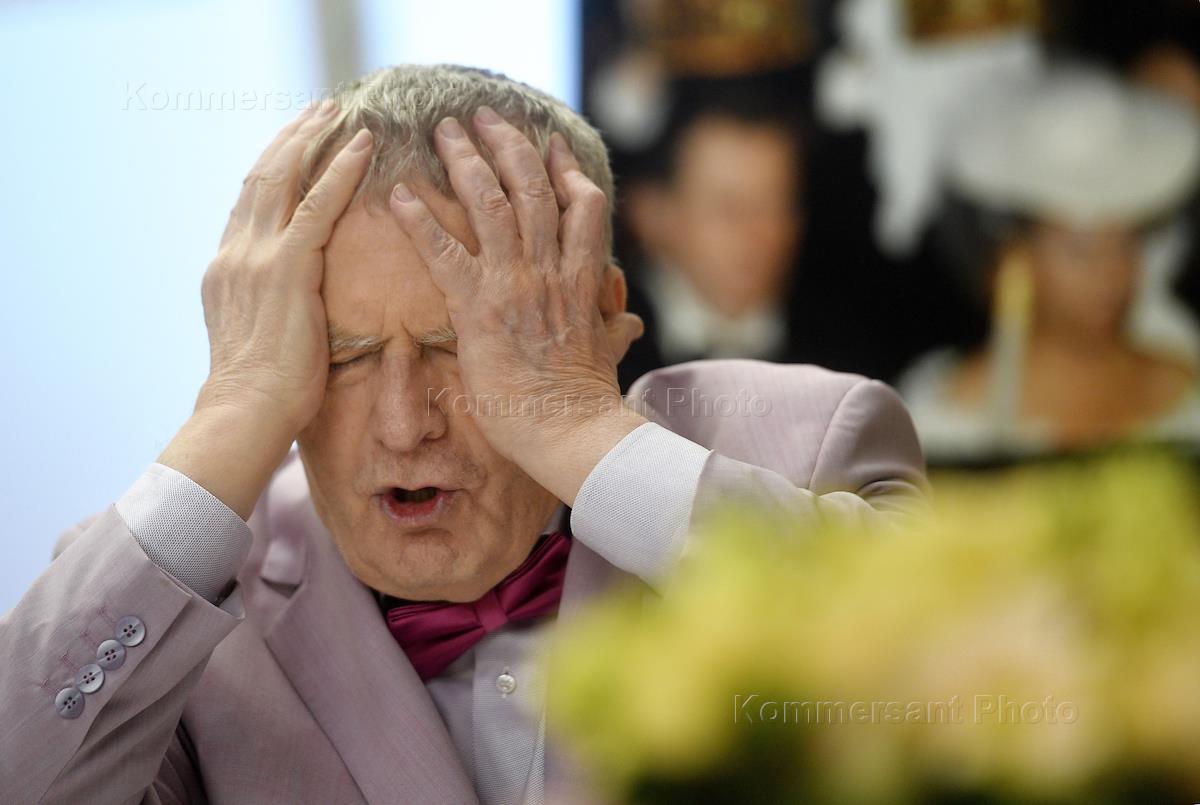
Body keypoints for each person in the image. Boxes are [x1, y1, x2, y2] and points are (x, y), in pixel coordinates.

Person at [0, 65, 926, 804]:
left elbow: (941, 693)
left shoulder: (810, 443)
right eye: (344, 354)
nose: (405, 423)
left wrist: (571, 419)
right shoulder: (169, 595)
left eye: (462, 343)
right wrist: (233, 410)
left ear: (599, 316)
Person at [898, 65, 1200, 463]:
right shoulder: (948, 419)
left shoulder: (1184, 392)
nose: (1111, 273)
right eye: (1082, 251)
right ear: (1017, 255)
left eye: (1127, 245)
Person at [617, 86, 805, 390]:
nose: (757, 233)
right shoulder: (604, 357)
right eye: (727, 208)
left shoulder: (850, 346)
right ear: (652, 215)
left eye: (774, 206)